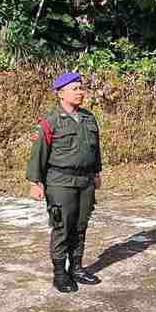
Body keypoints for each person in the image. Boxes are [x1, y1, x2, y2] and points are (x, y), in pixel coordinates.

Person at [26, 72, 103, 293]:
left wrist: (97, 172)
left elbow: (94, 149)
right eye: (75, 89)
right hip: (60, 182)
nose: (80, 92)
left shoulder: (89, 118)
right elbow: (38, 153)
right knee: (62, 227)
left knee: (80, 226)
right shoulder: (51, 121)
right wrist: (35, 182)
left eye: (81, 88)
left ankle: (76, 268)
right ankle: (60, 274)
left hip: (85, 180)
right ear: (61, 94)